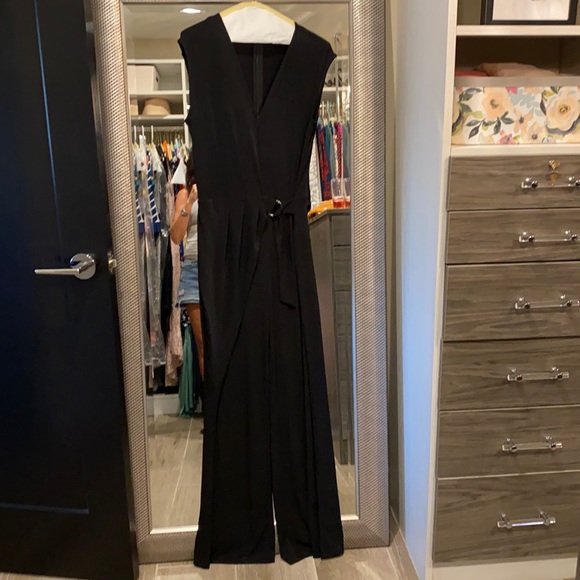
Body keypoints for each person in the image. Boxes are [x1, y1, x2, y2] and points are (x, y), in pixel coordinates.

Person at [170, 156, 204, 380]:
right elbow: (176, 236)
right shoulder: (185, 194)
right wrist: (191, 201)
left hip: (220, 270)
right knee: (203, 345)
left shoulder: (222, 190)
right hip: (193, 270)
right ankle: (212, 399)